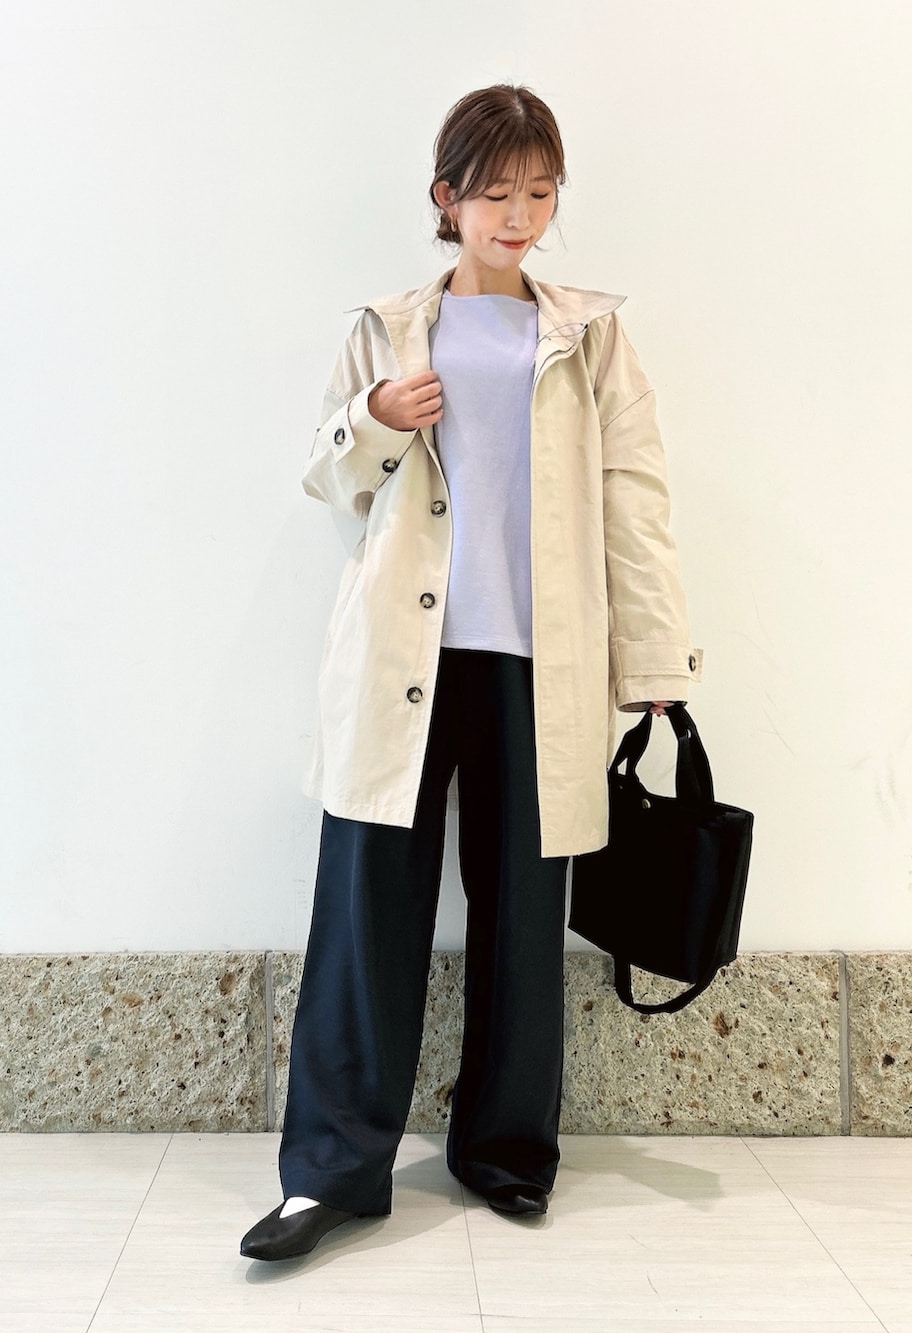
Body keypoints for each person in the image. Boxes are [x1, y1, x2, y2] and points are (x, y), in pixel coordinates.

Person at [240, 83, 702, 1262]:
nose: (519, 215)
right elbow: (328, 480)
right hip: (405, 654)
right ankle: (330, 1172)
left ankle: (504, 1152)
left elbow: (633, 497)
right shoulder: (388, 328)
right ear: (445, 199)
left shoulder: (588, 334)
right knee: (366, 912)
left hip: (539, 661)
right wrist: (376, 415)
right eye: (495, 193)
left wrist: (653, 655)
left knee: (522, 919)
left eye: (539, 192)